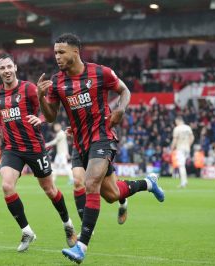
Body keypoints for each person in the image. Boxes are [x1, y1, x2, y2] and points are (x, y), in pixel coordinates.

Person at [36, 33, 164, 264]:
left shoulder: (100, 72)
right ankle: (148, 183)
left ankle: (81, 246)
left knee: (90, 183)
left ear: (75, 52)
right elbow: (51, 117)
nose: (57, 57)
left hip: (103, 136)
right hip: (81, 142)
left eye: (61, 52)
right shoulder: (56, 82)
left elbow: (124, 91)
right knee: (112, 195)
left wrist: (121, 110)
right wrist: (41, 97)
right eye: (55, 52)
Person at [0, 53, 76, 253]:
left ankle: (68, 224)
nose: (7, 71)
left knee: (50, 190)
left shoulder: (29, 88)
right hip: (12, 149)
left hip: (35, 148)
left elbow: (50, 111)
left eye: (9, 66)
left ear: (15, 67)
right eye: (2, 68)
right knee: (6, 185)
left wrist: (42, 120)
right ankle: (27, 231)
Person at [171, 116, 194, 188]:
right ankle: (185, 181)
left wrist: (172, 148)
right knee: (183, 165)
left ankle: (183, 182)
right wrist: (189, 145)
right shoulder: (188, 127)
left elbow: (175, 140)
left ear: (178, 121)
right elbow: (192, 138)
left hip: (180, 148)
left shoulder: (177, 129)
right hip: (187, 148)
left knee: (181, 165)